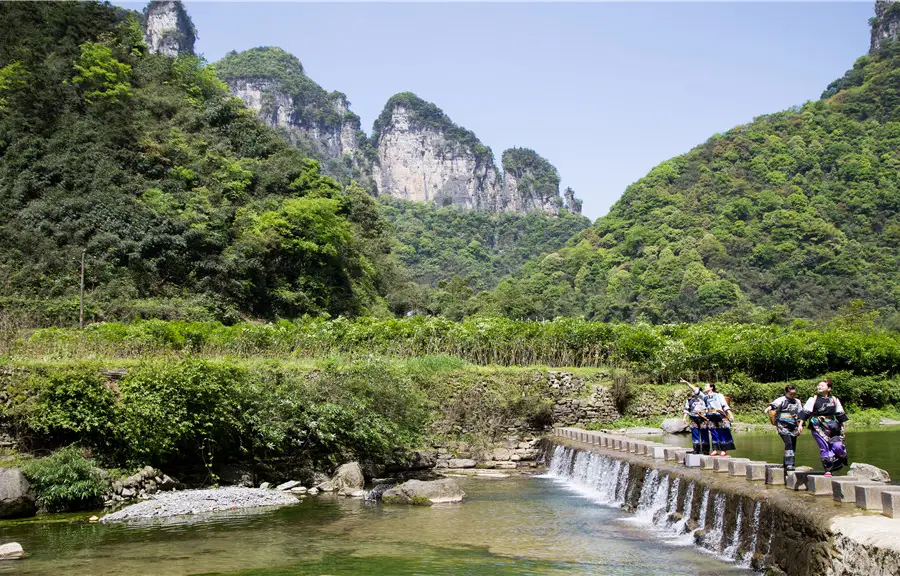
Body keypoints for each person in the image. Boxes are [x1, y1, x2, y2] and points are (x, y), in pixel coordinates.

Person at [800, 380, 849, 476]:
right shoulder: (813, 399)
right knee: (824, 448)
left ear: (829, 388)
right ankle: (828, 469)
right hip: (817, 425)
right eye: (818, 385)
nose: (820, 387)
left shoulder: (834, 399)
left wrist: (842, 427)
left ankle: (842, 456)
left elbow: (840, 413)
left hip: (833, 426)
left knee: (837, 446)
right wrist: (800, 425)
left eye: (822, 385)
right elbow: (805, 412)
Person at [765, 385, 804, 471]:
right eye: (791, 394)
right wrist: (769, 407)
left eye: (794, 394)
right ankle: (789, 463)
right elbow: (774, 405)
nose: (792, 396)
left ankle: (788, 463)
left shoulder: (797, 401)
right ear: (786, 393)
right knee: (788, 443)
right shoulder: (781, 400)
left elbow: (800, 414)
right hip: (783, 425)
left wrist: (800, 425)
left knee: (793, 444)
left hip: (793, 425)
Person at [702, 383, 735, 456]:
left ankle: (723, 450)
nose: (704, 387)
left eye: (706, 386)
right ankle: (715, 449)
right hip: (710, 416)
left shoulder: (718, 395)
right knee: (713, 432)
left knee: (722, 432)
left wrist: (730, 414)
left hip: (719, 415)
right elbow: (696, 392)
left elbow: (724, 405)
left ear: (711, 388)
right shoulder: (705, 397)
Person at [681, 380, 710, 455]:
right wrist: (684, 418)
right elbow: (687, 409)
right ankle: (696, 449)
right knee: (695, 433)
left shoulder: (704, 398)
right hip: (693, 417)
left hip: (703, 417)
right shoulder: (690, 400)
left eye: (695, 390)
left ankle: (705, 450)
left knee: (704, 433)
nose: (693, 392)